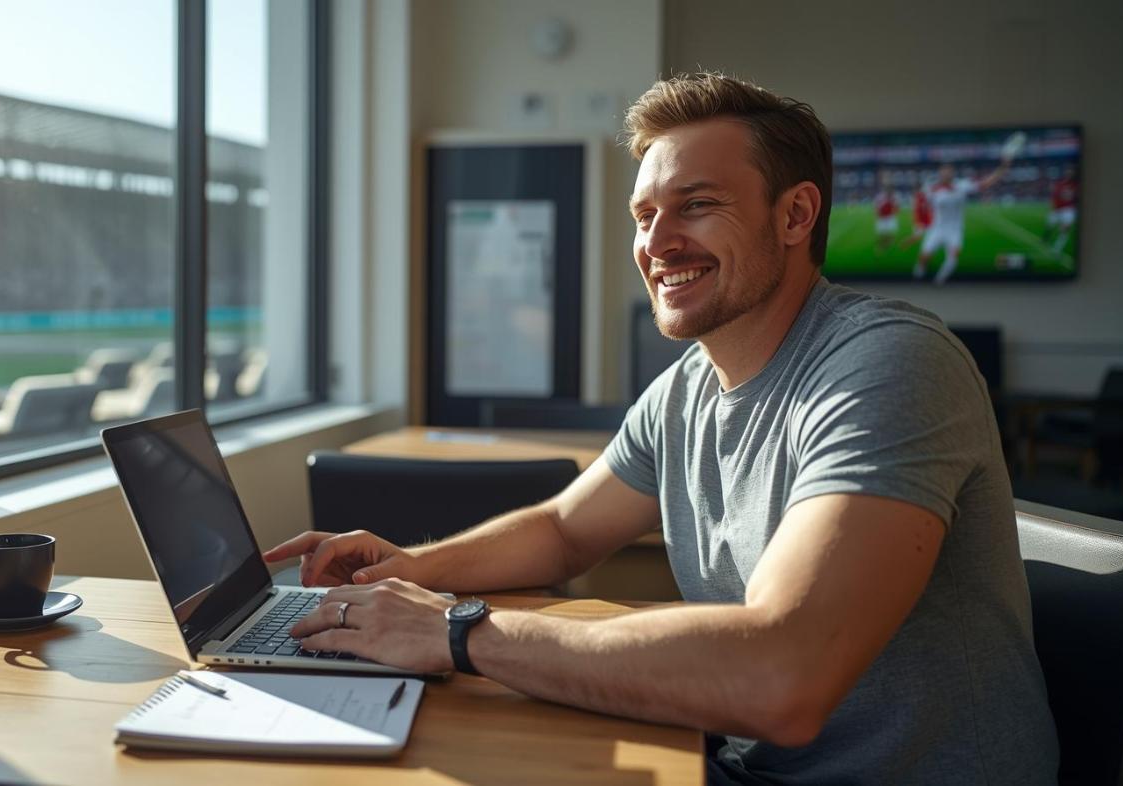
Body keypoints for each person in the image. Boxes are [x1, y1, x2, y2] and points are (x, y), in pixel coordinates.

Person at [264, 73, 1058, 784]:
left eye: (697, 205)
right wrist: (406, 574)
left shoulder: (890, 363)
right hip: (738, 758)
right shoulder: (684, 388)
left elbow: (780, 678)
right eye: (644, 214)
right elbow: (563, 530)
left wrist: (452, 630)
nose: (656, 242)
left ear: (795, 214)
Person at [911, 156, 1013, 284]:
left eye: (949, 171)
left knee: (953, 258)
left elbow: (986, 183)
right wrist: (919, 226)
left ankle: (938, 281)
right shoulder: (931, 188)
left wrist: (1002, 169)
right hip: (937, 228)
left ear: (953, 173)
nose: (946, 174)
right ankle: (917, 276)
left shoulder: (962, 185)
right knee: (924, 257)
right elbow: (920, 206)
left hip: (955, 229)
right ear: (939, 173)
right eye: (943, 171)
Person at [1045, 166, 1078, 254]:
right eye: (1068, 172)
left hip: (1068, 209)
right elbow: (1054, 196)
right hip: (1057, 209)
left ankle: (1057, 248)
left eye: (1071, 172)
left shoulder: (1076, 185)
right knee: (1050, 225)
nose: (1069, 174)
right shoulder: (1060, 184)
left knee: (1064, 229)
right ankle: (1045, 239)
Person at [872, 175, 899, 253]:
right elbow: (876, 206)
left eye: (890, 190)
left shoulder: (894, 197)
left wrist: (894, 211)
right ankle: (883, 246)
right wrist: (877, 213)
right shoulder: (880, 197)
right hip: (882, 218)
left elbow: (897, 208)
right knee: (881, 234)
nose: (889, 191)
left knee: (891, 234)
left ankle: (884, 246)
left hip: (890, 217)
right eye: (887, 189)